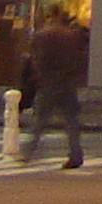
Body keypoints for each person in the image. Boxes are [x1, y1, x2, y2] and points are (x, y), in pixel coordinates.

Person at [24, 10, 87, 168]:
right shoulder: (72, 36)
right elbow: (80, 59)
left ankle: (29, 151)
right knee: (71, 121)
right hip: (67, 83)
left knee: (40, 120)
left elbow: (36, 60)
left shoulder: (42, 35)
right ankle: (76, 154)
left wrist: (39, 78)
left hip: (49, 83)